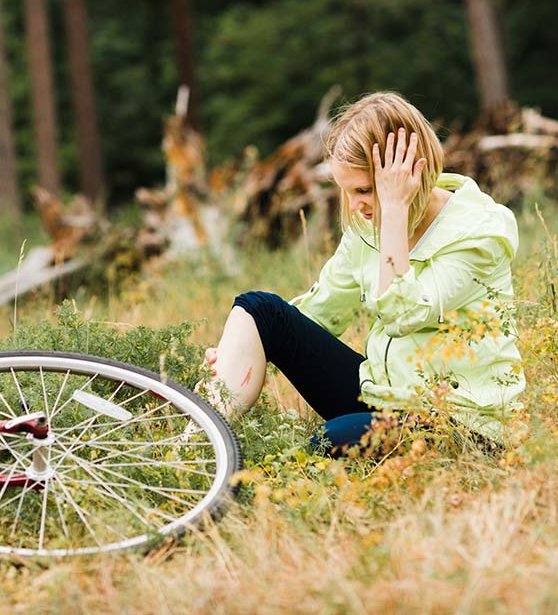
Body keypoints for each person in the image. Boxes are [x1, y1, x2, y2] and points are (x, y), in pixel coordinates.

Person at [203, 91, 525, 456]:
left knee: (330, 439)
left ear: (410, 172)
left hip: (458, 423)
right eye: (347, 191)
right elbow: (318, 313)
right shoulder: (366, 227)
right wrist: (244, 346)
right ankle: (198, 444)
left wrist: (394, 210)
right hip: (382, 397)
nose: (355, 205)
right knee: (260, 309)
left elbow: (403, 315)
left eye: (365, 190)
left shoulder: (479, 231)